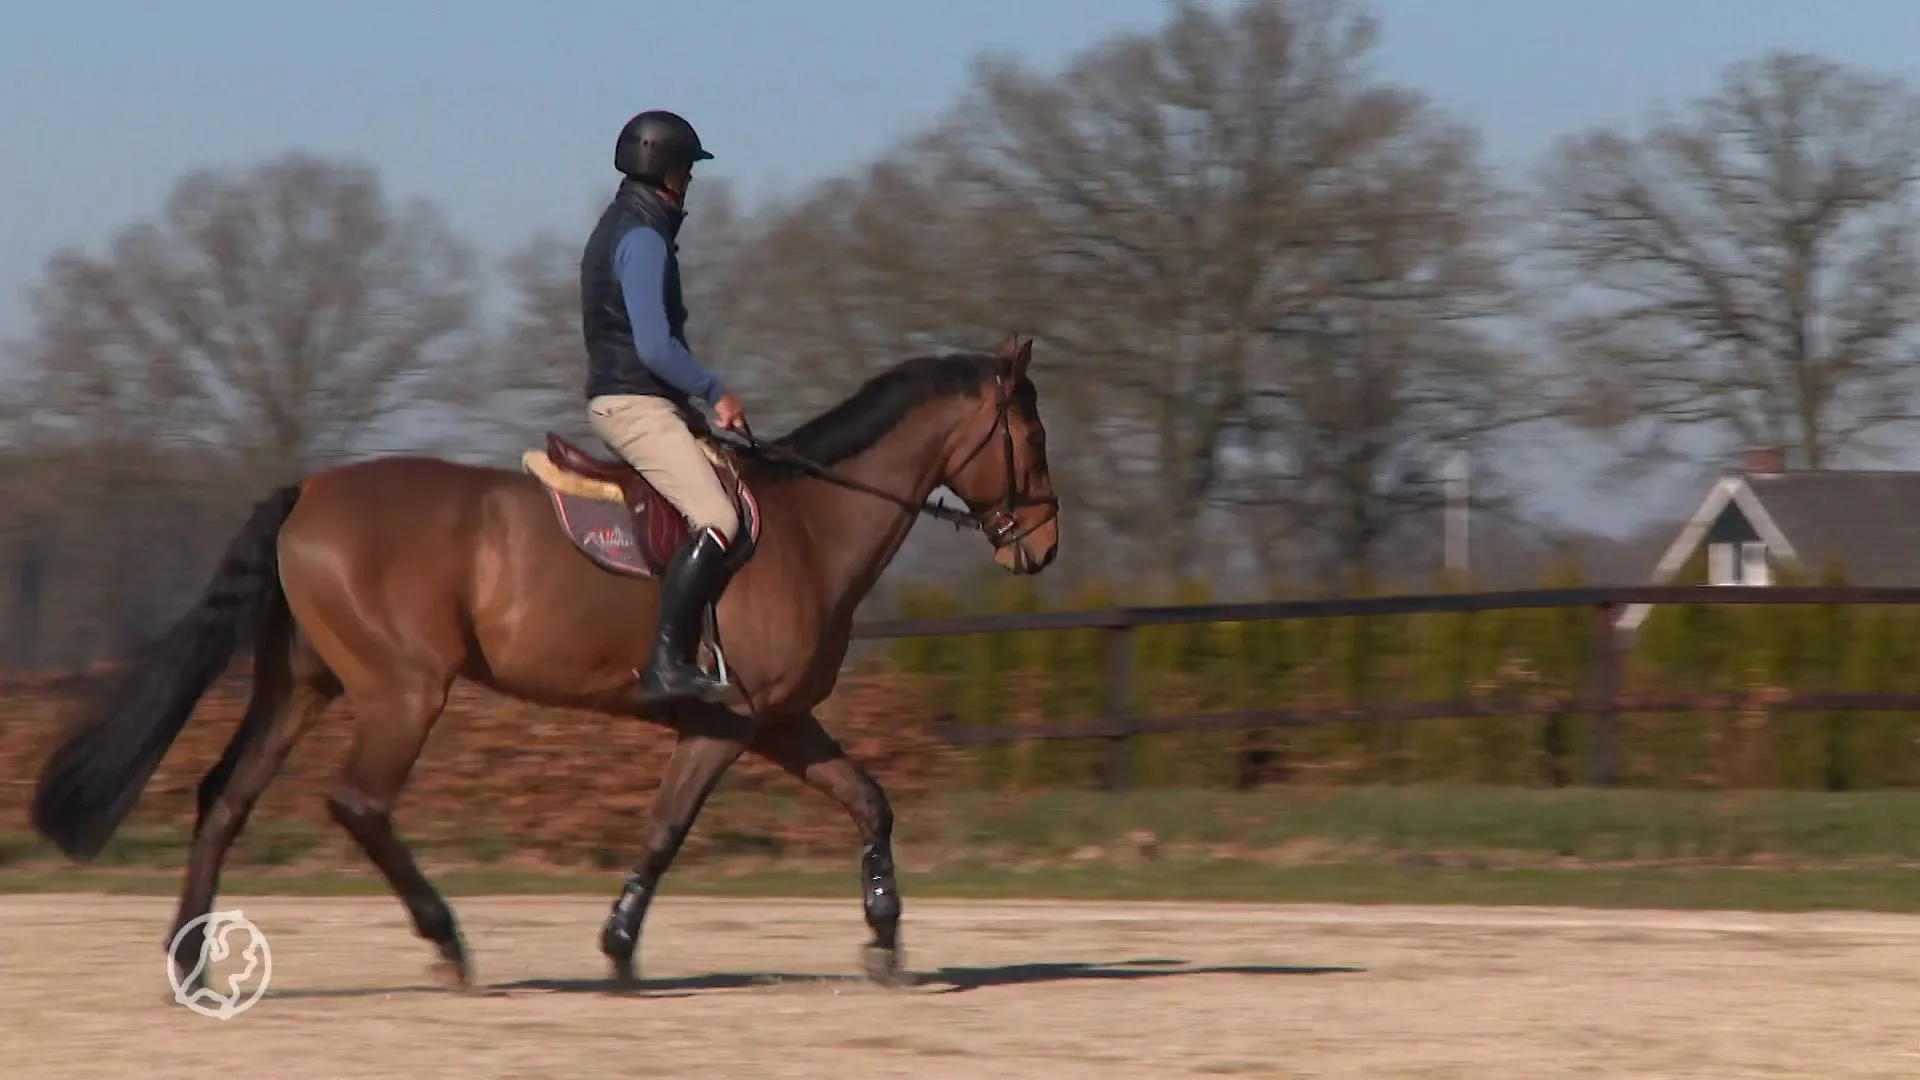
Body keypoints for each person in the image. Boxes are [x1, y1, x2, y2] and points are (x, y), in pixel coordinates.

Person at [580, 109, 750, 705]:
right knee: (721, 520)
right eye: (687, 170)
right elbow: (654, 346)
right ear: (668, 171)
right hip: (633, 403)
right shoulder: (644, 238)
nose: (690, 183)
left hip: (639, 398)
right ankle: (667, 665)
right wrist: (713, 390)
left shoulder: (622, 224)